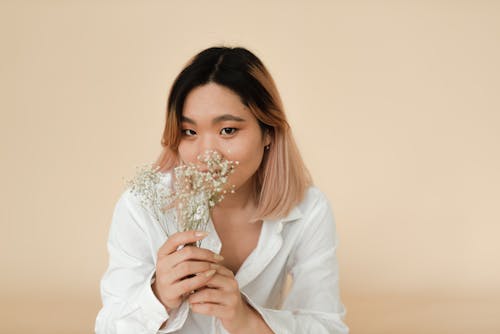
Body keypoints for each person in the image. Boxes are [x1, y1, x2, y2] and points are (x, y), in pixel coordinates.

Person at [95, 46, 349, 334]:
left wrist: (245, 319)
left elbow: (327, 327)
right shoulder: (142, 206)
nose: (206, 153)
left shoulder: (308, 210)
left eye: (227, 130)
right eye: (189, 132)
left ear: (268, 132)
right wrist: (158, 297)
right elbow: (108, 327)